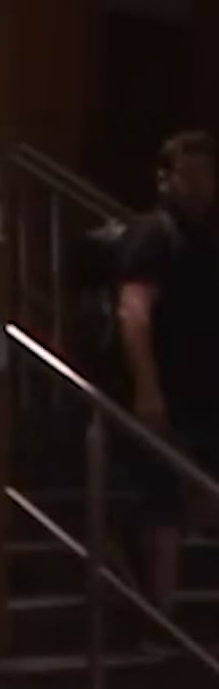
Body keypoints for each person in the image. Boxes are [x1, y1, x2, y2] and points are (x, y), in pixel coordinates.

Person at [114, 130, 219, 632]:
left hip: (201, 393)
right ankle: (159, 618)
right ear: (166, 180)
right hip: (165, 391)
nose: (200, 187)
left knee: (192, 498)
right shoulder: (152, 235)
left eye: (207, 176)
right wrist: (147, 385)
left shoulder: (206, 242)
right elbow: (133, 310)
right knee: (161, 506)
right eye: (189, 176)